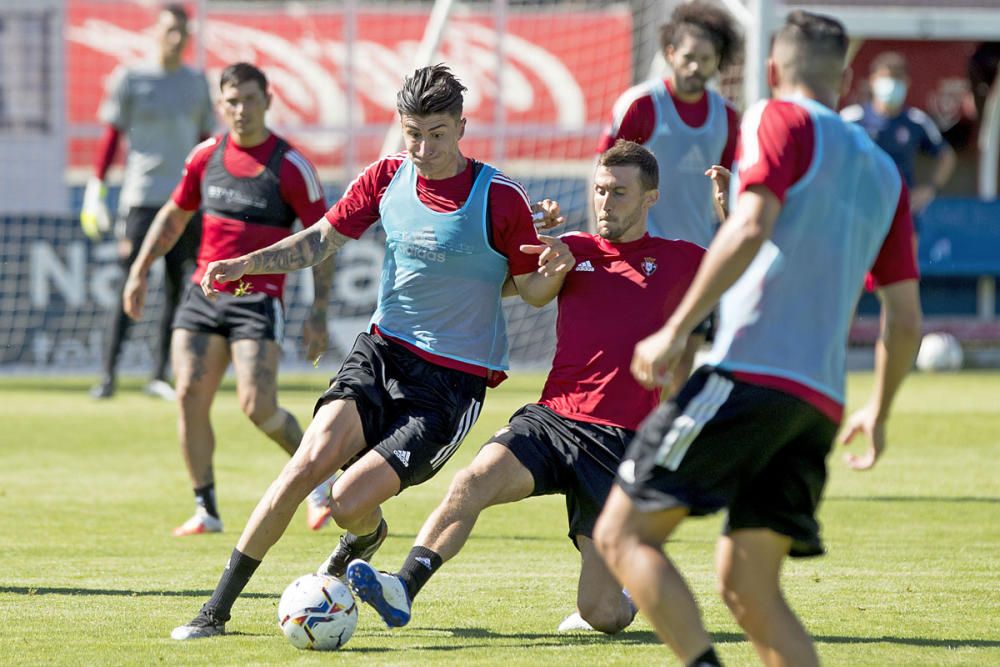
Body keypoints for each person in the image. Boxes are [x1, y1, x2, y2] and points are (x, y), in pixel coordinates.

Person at [169, 63, 572, 640]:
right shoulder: (385, 178)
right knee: (304, 465)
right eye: (413, 133)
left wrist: (551, 270)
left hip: (449, 385)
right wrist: (244, 263)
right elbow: (318, 242)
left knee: (345, 499)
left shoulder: (499, 197)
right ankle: (215, 611)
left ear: (461, 126)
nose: (424, 147)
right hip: (381, 351)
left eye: (437, 133)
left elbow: (530, 293)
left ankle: (362, 534)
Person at [594, 11, 922, 667]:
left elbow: (749, 229)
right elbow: (906, 318)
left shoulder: (778, 118)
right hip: (819, 404)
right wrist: (878, 414)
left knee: (622, 534)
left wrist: (675, 328)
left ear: (772, 71)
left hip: (748, 375)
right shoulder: (886, 172)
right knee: (749, 588)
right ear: (848, 77)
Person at [343, 139, 706, 635]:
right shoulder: (570, 250)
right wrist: (524, 235)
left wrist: (732, 216)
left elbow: (756, 273)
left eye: (619, 193)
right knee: (472, 481)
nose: (605, 203)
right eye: (599, 190)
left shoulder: (680, 260)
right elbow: (491, 280)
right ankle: (403, 586)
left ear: (650, 198)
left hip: (619, 443)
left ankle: (630, 589)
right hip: (552, 420)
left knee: (601, 615)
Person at [122, 62, 335, 537]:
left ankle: (321, 481)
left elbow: (322, 242)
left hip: (256, 300)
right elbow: (174, 216)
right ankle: (206, 508)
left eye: (250, 100)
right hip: (203, 297)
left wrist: (318, 311)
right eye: (232, 101)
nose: (241, 110)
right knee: (188, 395)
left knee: (258, 407)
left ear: (268, 101)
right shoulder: (205, 156)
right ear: (221, 105)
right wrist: (139, 271)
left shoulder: (291, 166)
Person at [597, 0, 741, 387]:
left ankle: (664, 443)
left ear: (719, 62)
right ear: (671, 53)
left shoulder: (727, 117)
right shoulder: (641, 104)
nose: (696, 67)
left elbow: (731, 193)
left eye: (707, 59)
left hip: (696, 261)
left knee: (679, 372)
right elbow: (603, 174)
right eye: (689, 56)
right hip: (638, 257)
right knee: (629, 371)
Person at [81, 4, 215, 401]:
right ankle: (108, 374)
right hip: (141, 201)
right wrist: (97, 188)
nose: (177, 37)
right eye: (170, 29)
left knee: (178, 288)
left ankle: (160, 373)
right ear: (155, 32)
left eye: (183, 30)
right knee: (131, 282)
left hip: (185, 204)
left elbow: (204, 142)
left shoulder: (197, 83)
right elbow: (111, 137)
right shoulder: (132, 78)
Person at [841, 51, 957, 216]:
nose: (891, 84)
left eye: (897, 79)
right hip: (858, 209)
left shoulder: (916, 121)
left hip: (902, 208)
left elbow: (946, 155)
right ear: (873, 80)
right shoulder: (851, 119)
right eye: (886, 78)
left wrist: (931, 188)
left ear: (907, 83)